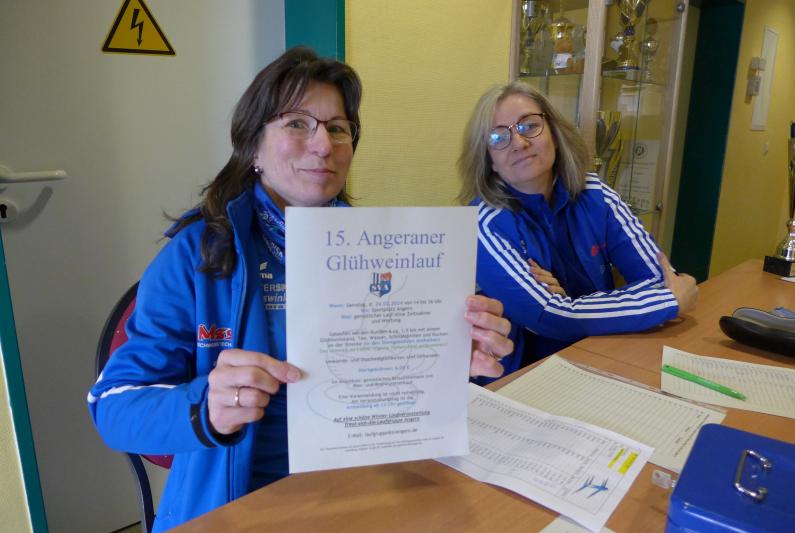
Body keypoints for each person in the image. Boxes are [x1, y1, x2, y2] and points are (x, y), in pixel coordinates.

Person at [88, 47, 513, 532]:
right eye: (297, 124)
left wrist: (449, 358)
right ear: (252, 147)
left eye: (338, 128)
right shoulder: (197, 254)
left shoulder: (383, 250)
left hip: (364, 484)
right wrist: (205, 406)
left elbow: (392, 393)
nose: (323, 145)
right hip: (244, 501)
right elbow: (113, 406)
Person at [458, 81, 697, 383]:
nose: (519, 142)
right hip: (518, 379)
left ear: (555, 134)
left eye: (529, 126)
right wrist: (663, 303)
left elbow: (660, 281)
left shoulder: (597, 194)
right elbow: (548, 316)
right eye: (498, 137)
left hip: (600, 354)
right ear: (489, 160)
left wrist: (571, 303)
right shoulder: (482, 223)